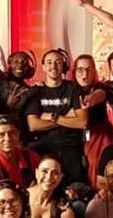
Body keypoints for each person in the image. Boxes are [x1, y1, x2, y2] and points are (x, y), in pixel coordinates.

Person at [23, 49, 88, 184]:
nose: (53, 66)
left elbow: (82, 122)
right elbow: (33, 125)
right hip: (42, 146)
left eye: (58, 62)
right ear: (43, 67)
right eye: (49, 62)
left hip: (70, 145)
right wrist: (66, 117)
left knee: (75, 188)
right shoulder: (36, 91)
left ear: (63, 66)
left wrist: (53, 117)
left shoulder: (73, 88)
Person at [72, 54, 113, 187]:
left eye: (89, 69)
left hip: (99, 134)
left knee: (96, 164)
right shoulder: (69, 88)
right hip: (75, 134)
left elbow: (100, 94)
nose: (85, 74)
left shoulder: (99, 86)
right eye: (80, 70)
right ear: (74, 71)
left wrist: (90, 100)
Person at [0, 116, 40, 204]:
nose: (7, 138)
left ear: (18, 135)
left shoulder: (30, 156)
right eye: (1, 134)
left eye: (12, 133)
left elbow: (45, 184)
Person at [0, 51, 35, 122]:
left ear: (29, 68)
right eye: (16, 62)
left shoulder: (30, 91)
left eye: (25, 63)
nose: (20, 65)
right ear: (10, 64)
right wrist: (8, 106)